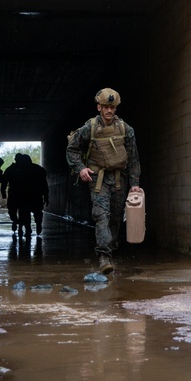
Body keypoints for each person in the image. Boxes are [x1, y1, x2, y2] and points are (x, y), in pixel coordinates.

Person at [66, 88, 143, 274]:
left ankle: (110, 247)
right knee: (101, 215)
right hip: (98, 179)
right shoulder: (89, 129)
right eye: (106, 107)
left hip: (119, 179)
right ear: (99, 107)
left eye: (113, 107)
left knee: (115, 217)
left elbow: (133, 159)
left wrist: (134, 185)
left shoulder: (126, 130)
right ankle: (104, 257)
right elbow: (72, 150)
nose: (109, 110)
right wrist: (81, 168)